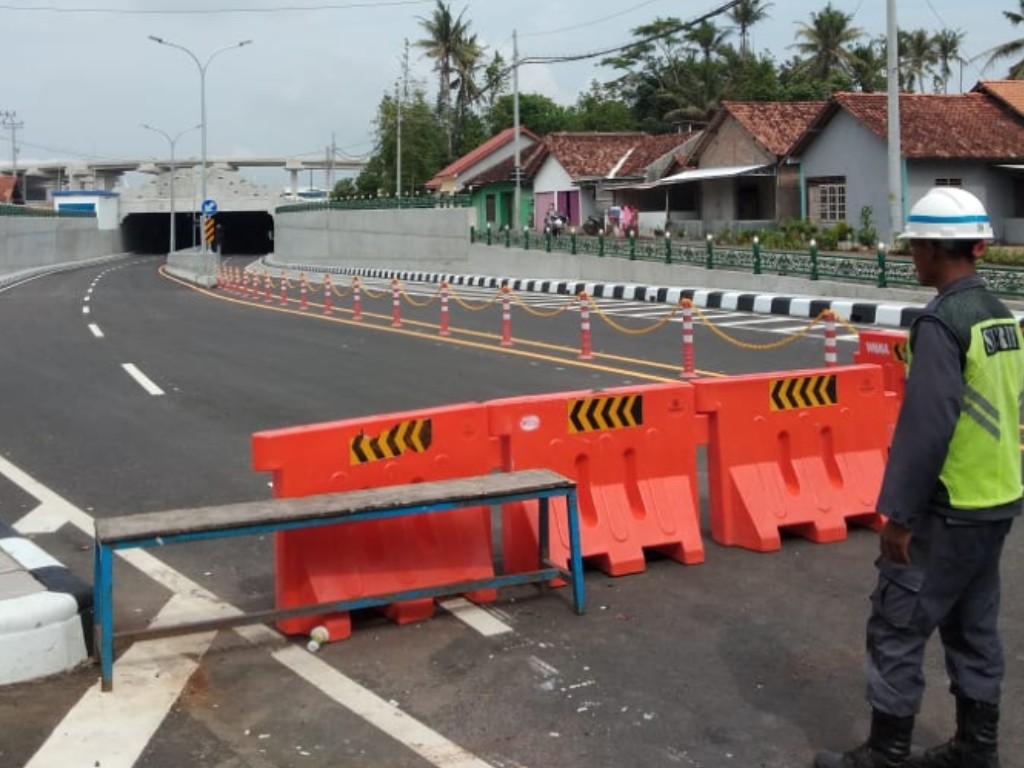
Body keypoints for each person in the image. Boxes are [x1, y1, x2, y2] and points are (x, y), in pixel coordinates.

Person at [814, 187, 1022, 768]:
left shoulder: (941, 322)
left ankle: (886, 754)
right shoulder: (999, 317)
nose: (913, 259)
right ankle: (977, 750)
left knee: (898, 626)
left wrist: (899, 515)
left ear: (935, 248)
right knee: (974, 629)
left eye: (916, 248)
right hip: (997, 501)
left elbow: (927, 428)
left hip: (945, 509)